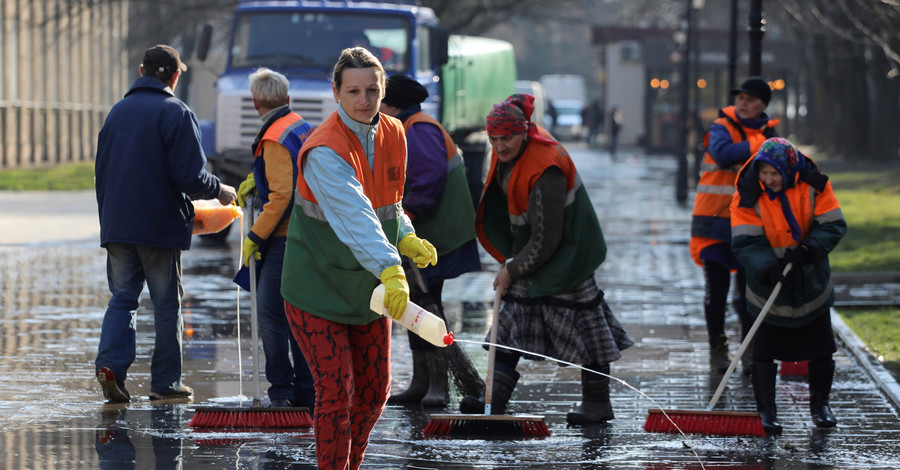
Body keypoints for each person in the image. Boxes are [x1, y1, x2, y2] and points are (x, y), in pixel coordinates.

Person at [280, 47, 437, 469]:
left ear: (383, 91)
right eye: (353, 91)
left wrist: (406, 236)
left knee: (374, 393)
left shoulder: (393, 133)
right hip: (316, 287)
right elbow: (356, 218)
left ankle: (350, 462)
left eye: (372, 90)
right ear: (336, 92)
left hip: (367, 289)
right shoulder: (324, 150)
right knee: (336, 393)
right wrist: (392, 268)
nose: (363, 100)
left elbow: (389, 205)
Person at [460, 94, 633, 425]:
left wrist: (513, 267)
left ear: (524, 132)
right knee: (509, 322)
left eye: (507, 138)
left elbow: (548, 237)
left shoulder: (546, 167)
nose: (500, 146)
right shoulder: (511, 154)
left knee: (587, 327)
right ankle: (493, 402)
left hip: (571, 253)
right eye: (493, 139)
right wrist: (511, 258)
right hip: (534, 249)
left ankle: (598, 403)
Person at [94, 44, 237, 403]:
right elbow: (190, 177)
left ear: (142, 70)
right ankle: (166, 384)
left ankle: (110, 366)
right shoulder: (177, 112)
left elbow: (101, 173)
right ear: (175, 76)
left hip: (117, 225)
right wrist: (220, 191)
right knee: (166, 304)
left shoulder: (116, 112)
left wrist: (108, 222)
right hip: (158, 227)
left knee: (122, 299)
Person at [730, 137, 846, 435]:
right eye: (763, 173)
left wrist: (810, 248)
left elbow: (832, 223)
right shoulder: (748, 193)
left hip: (809, 277)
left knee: (821, 347)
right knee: (764, 349)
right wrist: (766, 267)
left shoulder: (814, 184)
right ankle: (766, 411)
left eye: (774, 174)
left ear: (789, 169)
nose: (768, 180)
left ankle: (820, 405)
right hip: (769, 281)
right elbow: (746, 240)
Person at [378, 74, 482, 407]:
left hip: (436, 236)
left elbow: (425, 182)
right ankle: (422, 383)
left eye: (380, 100)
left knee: (428, 304)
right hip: (425, 233)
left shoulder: (418, 129)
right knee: (417, 304)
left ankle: (438, 384)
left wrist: (404, 218)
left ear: (392, 104)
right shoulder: (411, 126)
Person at [234, 67, 315, 409]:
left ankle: (281, 391)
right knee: (298, 314)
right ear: (287, 98)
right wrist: (258, 179)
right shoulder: (300, 126)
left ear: (255, 103)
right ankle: (306, 390)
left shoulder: (274, 137)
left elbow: (282, 195)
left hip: (285, 238)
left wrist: (254, 235)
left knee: (271, 313)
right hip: (309, 234)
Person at [689, 76, 779, 374]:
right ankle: (718, 349)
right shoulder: (720, 126)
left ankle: (749, 347)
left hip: (752, 223)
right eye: (741, 97)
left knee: (748, 293)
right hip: (714, 221)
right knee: (717, 291)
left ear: (762, 106)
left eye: (751, 99)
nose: (743, 102)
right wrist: (758, 144)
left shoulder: (772, 133)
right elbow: (724, 154)